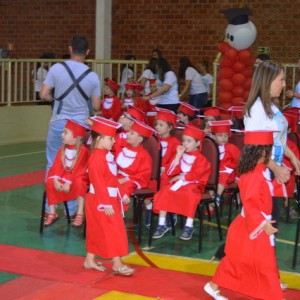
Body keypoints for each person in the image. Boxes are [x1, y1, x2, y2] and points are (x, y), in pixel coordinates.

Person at [204, 131, 283, 300]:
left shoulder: (259, 170)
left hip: (250, 225)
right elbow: (250, 203)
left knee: (236, 260)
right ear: (260, 153)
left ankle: (213, 286)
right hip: (253, 225)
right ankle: (275, 295)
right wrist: (263, 223)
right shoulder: (253, 174)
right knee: (264, 263)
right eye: (268, 151)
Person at [40, 35, 101, 217]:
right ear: (88, 52)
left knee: (53, 162)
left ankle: (49, 208)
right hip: (79, 125)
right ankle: (73, 210)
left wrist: (57, 102)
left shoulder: (57, 68)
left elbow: (44, 94)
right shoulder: (92, 76)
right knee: (75, 165)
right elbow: (97, 106)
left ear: (69, 48)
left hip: (59, 121)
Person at [244, 61, 300, 230]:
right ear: (268, 81)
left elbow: (278, 139)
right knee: (263, 222)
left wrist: (293, 157)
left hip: (271, 169)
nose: (284, 85)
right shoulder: (256, 109)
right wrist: (275, 168)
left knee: (271, 221)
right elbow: (255, 148)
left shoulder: (272, 106)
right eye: (281, 80)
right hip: (260, 172)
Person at [84, 117, 134, 276]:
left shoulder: (105, 155)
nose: (114, 141)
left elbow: (112, 178)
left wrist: (121, 193)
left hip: (107, 198)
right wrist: (106, 204)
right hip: (101, 200)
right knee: (114, 230)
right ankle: (117, 263)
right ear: (99, 139)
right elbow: (98, 183)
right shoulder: (97, 158)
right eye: (110, 138)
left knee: (97, 229)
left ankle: (89, 260)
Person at [152, 125, 211, 240]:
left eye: (189, 141)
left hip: (194, 184)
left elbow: (198, 175)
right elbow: (170, 171)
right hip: (180, 183)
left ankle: (189, 225)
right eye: (183, 141)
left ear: (198, 144)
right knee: (165, 191)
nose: (185, 144)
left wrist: (182, 176)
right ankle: (162, 223)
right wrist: (178, 156)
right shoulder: (181, 155)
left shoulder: (201, 159)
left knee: (190, 195)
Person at [45, 120, 89, 227]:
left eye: (65, 132)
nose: (62, 134)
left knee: (80, 183)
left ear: (74, 136)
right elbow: (56, 166)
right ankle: (52, 212)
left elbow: (80, 169)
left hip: (78, 176)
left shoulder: (83, 150)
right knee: (50, 181)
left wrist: (68, 181)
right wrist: (56, 180)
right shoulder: (62, 149)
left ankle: (80, 213)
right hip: (64, 176)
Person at [143, 108, 180, 227]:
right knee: (145, 182)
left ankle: (170, 212)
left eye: (161, 125)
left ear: (169, 127)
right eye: (156, 124)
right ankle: (149, 208)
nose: (157, 127)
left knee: (164, 183)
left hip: (168, 173)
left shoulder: (175, 142)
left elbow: (176, 159)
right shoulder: (153, 140)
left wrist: (165, 167)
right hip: (153, 171)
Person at [115, 120, 154, 211]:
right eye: (129, 132)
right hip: (120, 176)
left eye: (132, 133)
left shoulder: (144, 155)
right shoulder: (124, 146)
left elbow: (144, 174)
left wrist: (126, 179)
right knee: (109, 182)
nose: (127, 134)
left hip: (133, 179)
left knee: (125, 186)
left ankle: (121, 209)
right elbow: (115, 148)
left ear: (139, 139)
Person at [208, 120, 240, 206]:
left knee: (222, 176)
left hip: (229, 174)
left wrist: (238, 177)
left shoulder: (232, 148)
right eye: (220, 135)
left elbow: (239, 163)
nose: (223, 138)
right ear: (214, 137)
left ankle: (217, 197)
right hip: (216, 172)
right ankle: (211, 198)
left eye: (226, 135)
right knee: (211, 177)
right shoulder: (213, 148)